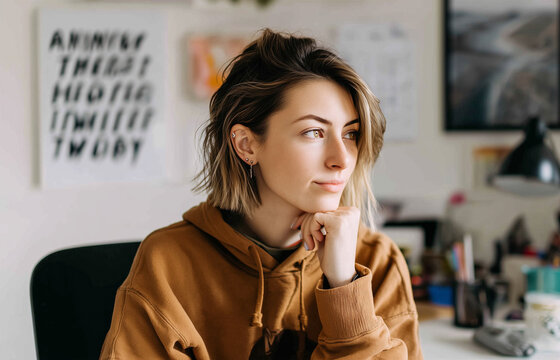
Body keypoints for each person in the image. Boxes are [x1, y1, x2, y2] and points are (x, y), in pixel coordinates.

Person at [100, 28, 422, 360]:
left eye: (351, 133)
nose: (341, 159)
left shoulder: (376, 261)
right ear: (246, 144)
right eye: (313, 132)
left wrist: (344, 285)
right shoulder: (168, 262)